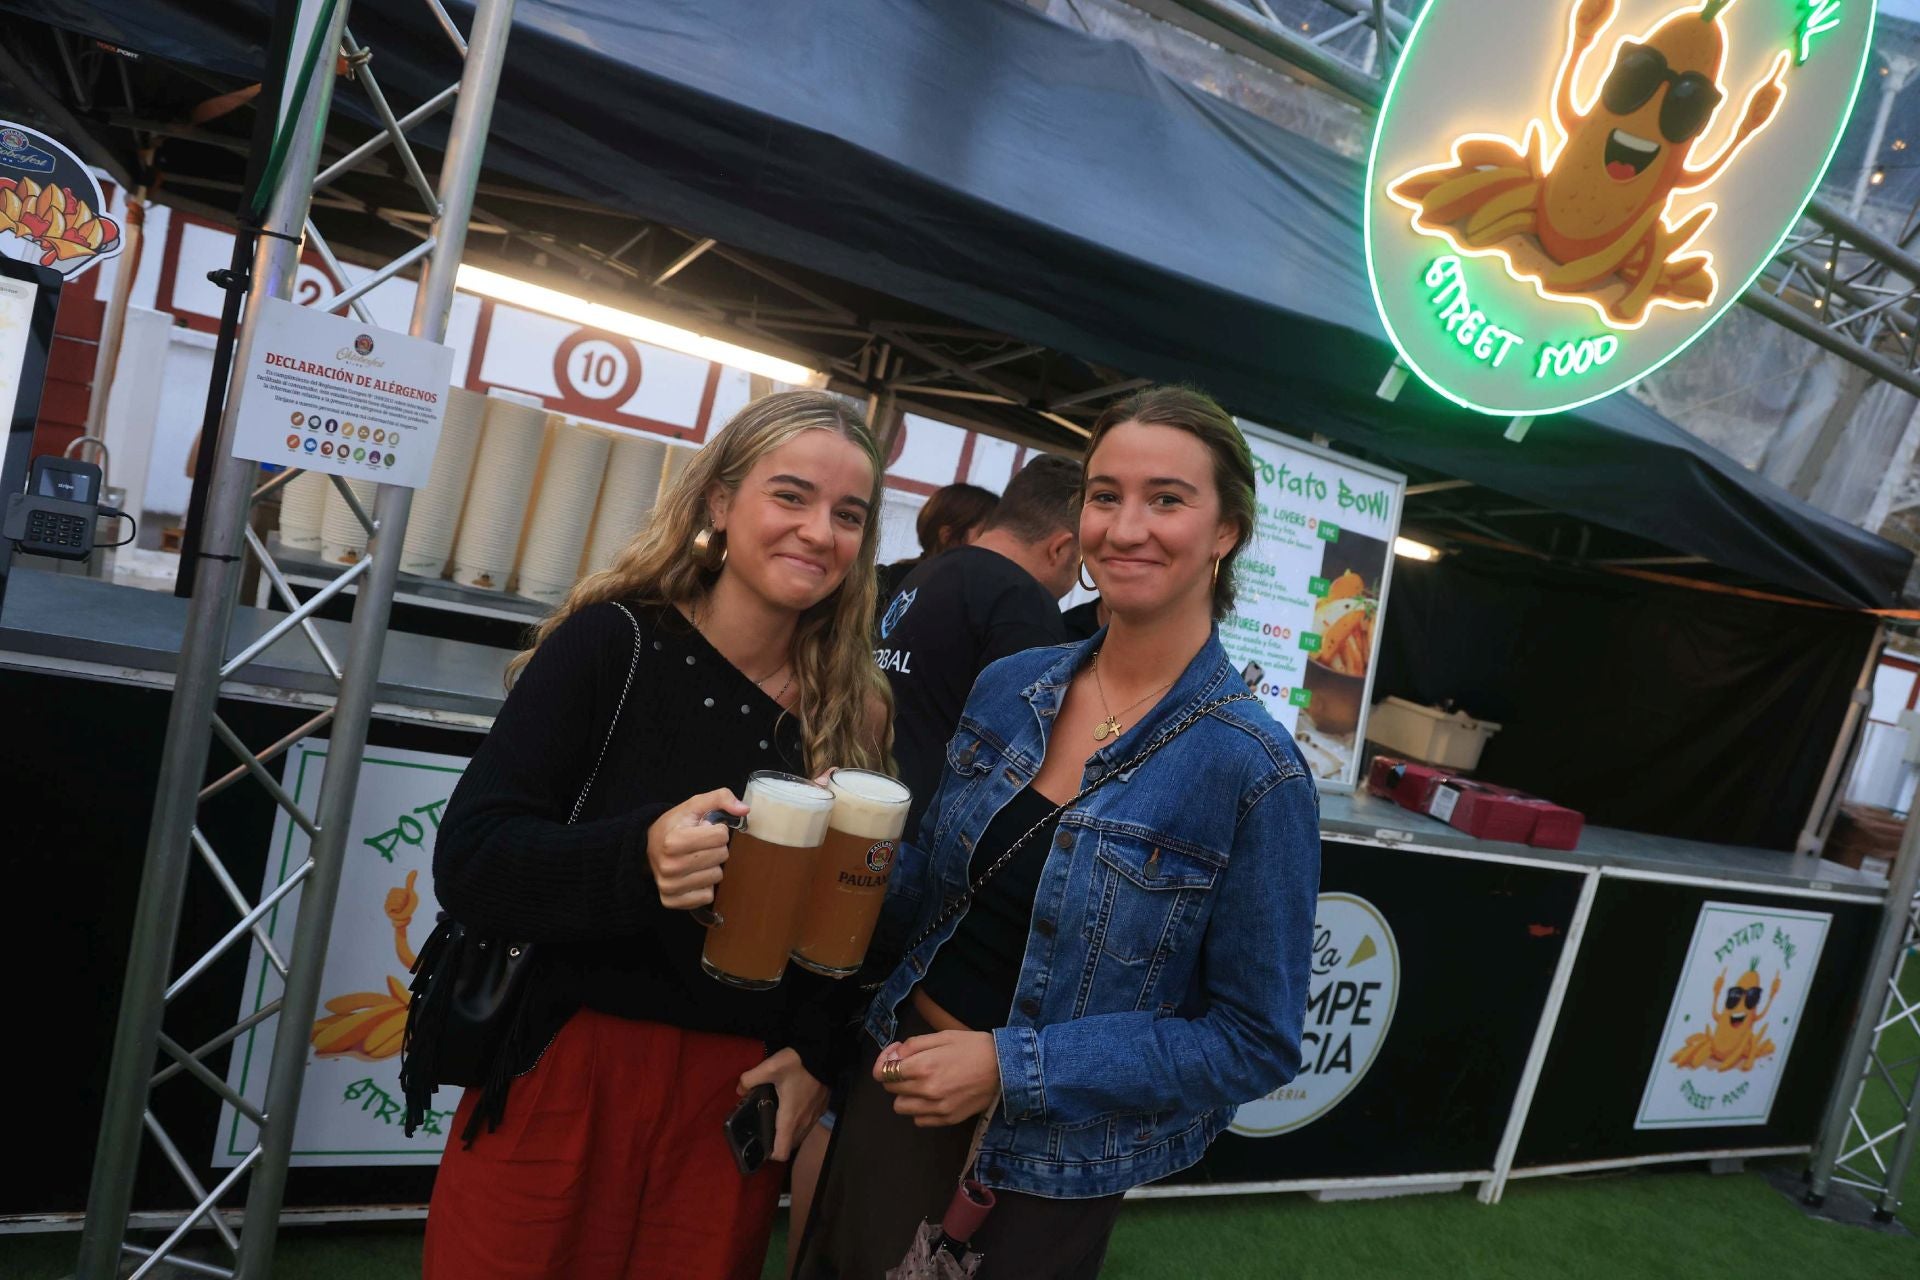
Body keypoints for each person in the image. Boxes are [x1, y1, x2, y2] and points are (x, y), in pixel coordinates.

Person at [796, 386, 1320, 1279]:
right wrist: (857, 851)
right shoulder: (1013, 683)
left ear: (1225, 530)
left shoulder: (1251, 767)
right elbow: (942, 897)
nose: (1125, 528)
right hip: (893, 1083)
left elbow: (1252, 1038)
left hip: (1044, 1170)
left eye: (1167, 499)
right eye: (1106, 495)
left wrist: (1009, 1067)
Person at [421, 390, 892, 1280]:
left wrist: (817, 1058)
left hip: (731, 1097)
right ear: (719, 501)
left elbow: (851, 932)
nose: (819, 531)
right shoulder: (616, 645)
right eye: (789, 496)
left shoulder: (854, 707)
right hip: (568, 1067)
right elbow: (473, 859)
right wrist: (638, 856)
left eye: (848, 514)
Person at [874, 454, 1083, 841]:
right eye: (1080, 563)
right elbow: (1021, 756)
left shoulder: (926, 571)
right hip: (924, 842)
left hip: (870, 806)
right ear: (1061, 548)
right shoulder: (1024, 603)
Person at [875, 481, 999, 610]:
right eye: (986, 534)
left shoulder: (985, 598)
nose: (997, 546)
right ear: (948, 538)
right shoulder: (885, 585)